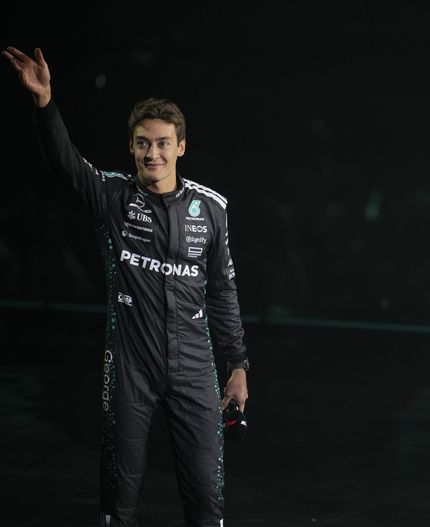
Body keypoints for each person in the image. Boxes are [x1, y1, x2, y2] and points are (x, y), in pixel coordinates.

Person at [3, 46, 250, 526]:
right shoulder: (113, 196)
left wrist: (237, 365)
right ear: (132, 147)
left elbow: (223, 292)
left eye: (162, 143)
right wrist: (45, 104)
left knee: (206, 498)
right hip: (131, 367)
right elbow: (66, 165)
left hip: (195, 369)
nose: (152, 153)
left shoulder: (211, 208)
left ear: (181, 147)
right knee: (119, 497)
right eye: (142, 143)